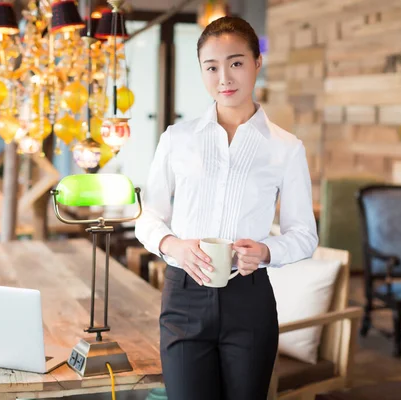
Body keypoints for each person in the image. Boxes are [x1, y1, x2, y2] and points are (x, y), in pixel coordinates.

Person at [135, 16, 318, 400]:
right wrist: (173, 245)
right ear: (201, 70)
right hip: (184, 296)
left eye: (236, 63)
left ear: (256, 63)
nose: (224, 78)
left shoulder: (286, 147)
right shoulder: (177, 139)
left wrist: (267, 251)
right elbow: (148, 217)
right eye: (211, 67)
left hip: (248, 301)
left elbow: (304, 234)